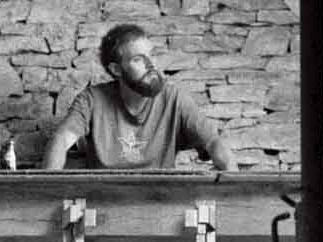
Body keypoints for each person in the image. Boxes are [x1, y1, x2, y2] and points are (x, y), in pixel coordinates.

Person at [41, 23, 238, 172]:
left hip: (159, 203)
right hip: (103, 202)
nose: (152, 65)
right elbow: (61, 140)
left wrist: (232, 187)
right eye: (138, 59)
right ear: (116, 69)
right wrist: (47, 193)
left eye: (152, 55)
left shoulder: (174, 98)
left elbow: (213, 142)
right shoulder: (91, 100)